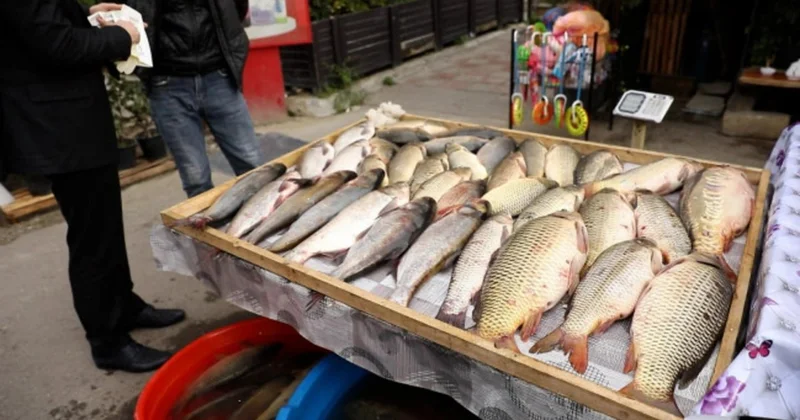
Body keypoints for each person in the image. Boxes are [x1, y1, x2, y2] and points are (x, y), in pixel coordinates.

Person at [0, 1, 185, 373]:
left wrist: (87, 13)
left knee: (106, 227)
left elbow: (47, 22)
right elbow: (57, 44)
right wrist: (123, 36)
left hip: (72, 123)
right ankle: (107, 341)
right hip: (59, 130)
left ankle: (125, 305)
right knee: (92, 239)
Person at [126, 0, 264, 198]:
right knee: (195, 177)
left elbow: (237, 9)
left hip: (219, 76)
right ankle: (207, 227)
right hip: (168, 83)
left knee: (252, 164)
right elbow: (128, 15)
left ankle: (261, 223)